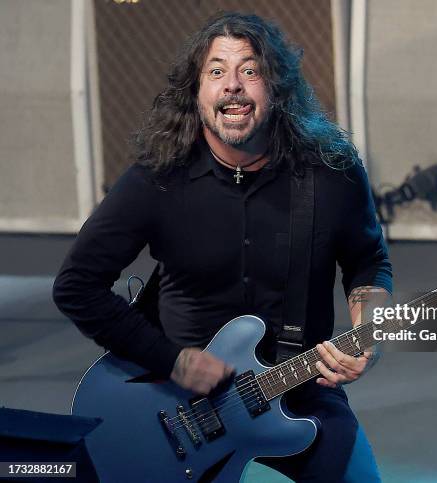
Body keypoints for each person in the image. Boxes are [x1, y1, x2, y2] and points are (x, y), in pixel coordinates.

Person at [53, 12, 392, 482]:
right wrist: (171, 359)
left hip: (296, 384)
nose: (232, 85)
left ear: (277, 89)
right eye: (216, 71)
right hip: (172, 403)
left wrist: (370, 334)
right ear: (196, 93)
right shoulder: (158, 179)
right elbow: (75, 286)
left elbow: (368, 261)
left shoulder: (330, 171)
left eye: (250, 71)